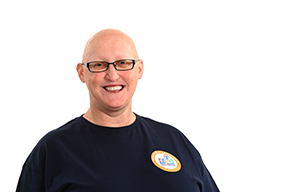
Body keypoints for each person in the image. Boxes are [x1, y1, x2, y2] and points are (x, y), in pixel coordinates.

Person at [16, 29, 220, 192]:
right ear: (81, 73)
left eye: (123, 63)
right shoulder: (53, 150)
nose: (112, 75)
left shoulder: (176, 142)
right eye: (99, 65)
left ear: (139, 69)